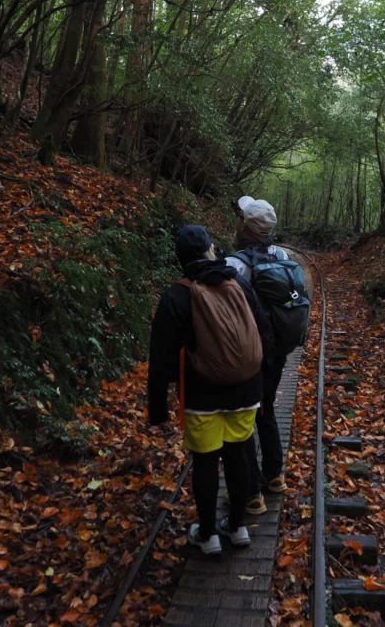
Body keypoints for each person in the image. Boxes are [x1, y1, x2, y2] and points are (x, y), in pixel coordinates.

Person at [148, 225, 273, 555]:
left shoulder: (176, 295)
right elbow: (263, 332)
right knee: (237, 455)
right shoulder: (240, 285)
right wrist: (264, 383)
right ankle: (238, 526)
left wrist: (158, 407)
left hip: (202, 396)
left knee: (204, 462)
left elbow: (160, 357)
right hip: (246, 391)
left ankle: (207, 534)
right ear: (210, 249)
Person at [226, 196, 306, 515]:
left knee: (245, 416)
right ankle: (275, 476)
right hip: (277, 350)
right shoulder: (282, 255)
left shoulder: (236, 264)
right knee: (267, 409)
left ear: (244, 225)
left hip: (248, 353)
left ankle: (251, 492)